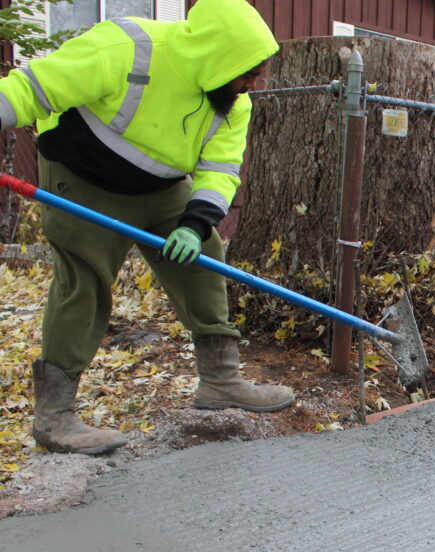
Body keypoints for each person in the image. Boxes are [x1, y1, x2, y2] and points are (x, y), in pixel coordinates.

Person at [0, 0, 295, 456]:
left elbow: (220, 169)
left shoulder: (233, 101)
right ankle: (54, 416)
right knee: (86, 282)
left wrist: (195, 226)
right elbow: (33, 89)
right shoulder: (127, 47)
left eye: (258, 75)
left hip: (161, 186)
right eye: (247, 74)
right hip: (83, 178)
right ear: (214, 58)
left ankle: (220, 380)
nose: (252, 85)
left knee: (204, 259)